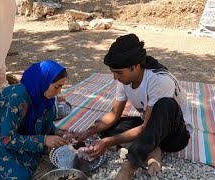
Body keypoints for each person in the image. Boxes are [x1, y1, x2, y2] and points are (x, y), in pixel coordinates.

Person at [73, 34, 193, 179]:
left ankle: (129, 166)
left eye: (118, 73)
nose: (115, 78)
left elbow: (146, 127)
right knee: (108, 128)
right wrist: (87, 132)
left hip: (174, 136)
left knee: (164, 105)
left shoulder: (159, 81)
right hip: (149, 128)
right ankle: (152, 150)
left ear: (135, 66)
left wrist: (108, 142)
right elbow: (114, 114)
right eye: (113, 72)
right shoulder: (124, 80)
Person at [0, 60, 71, 179]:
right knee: (20, 176)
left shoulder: (45, 99)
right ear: (44, 82)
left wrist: (57, 132)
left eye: (61, 87)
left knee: (35, 156)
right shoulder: (16, 98)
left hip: (18, 134)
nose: (59, 92)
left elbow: (44, 121)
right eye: (57, 87)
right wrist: (43, 140)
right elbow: (6, 139)